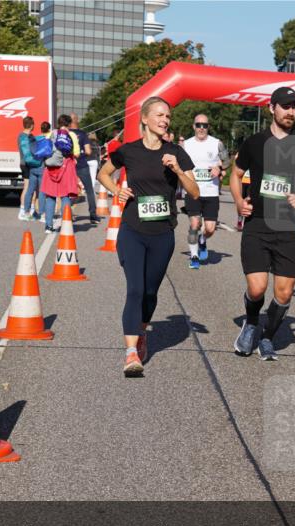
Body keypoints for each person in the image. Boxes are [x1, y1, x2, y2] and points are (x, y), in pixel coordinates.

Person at [97, 96, 197, 377]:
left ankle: (141, 331)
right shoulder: (128, 151)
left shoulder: (176, 152)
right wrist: (117, 190)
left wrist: (177, 169)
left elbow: (195, 191)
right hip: (132, 230)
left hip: (162, 233)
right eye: (160, 115)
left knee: (150, 292)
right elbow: (104, 173)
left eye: (168, 116)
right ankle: (131, 353)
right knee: (135, 289)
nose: (165, 120)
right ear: (144, 118)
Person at [229, 86, 295, 361]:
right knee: (257, 288)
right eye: (285, 106)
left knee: (283, 294)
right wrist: (238, 201)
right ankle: (250, 323)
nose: (291, 112)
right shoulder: (254, 143)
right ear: (271, 108)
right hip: (257, 225)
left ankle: (267, 337)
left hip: (288, 229)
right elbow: (235, 174)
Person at [182, 113, 229, 269]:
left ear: (208, 127)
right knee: (194, 224)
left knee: (210, 228)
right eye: (198, 125)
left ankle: (202, 240)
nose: (201, 128)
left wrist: (219, 168)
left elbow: (227, 161)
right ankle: (194, 256)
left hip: (211, 192)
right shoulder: (185, 145)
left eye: (205, 125)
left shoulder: (216, 143)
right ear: (193, 126)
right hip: (192, 191)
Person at [41, 114, 80, 234]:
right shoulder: (71, 135)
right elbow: (77, 153)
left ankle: (48, 226)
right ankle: (65, 225)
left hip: (51, 168)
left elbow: (45, 150)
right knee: (65, 196)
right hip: (65, 167)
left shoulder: (50, 134)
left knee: (51, 197)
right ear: (69, 124)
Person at [69, 112, 100, 223]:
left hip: (69, 165)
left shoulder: (65, 133)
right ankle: (93, 215)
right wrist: (82, 154)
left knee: (68, 191)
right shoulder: (82, 134)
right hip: (82, 164)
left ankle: (68, 214)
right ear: (77, 121)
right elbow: (88, 151)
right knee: (89, 190)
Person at [17, 116, 43, 221]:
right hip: (29, 164)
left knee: (30, 188)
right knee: (29, 188)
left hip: (23, 163)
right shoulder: (30, 137)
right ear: (32, 125)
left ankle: (28, 210)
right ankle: (23, 211)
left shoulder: (20, 136)